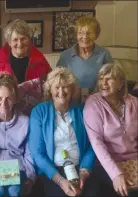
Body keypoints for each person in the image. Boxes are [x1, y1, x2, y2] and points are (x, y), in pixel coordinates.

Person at [28, 67, 96, 196]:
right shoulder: (39, 112)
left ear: (72, 90)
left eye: (66, 87)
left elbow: (93, 145)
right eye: (57, 87)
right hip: (54, 171)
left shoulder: (82, 110)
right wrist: (60, 181)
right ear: (50, 90)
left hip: (80, 167)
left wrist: (84, 172)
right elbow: (37, 153)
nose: (61, 91)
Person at [83, 63, 138, 197]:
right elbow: (97, 144)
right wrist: (116, 174)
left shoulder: (134, 103)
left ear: (121, 83)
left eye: (109, 79)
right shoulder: (93, 104)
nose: (103, 83)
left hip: (134, 160)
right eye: (101, 79)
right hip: (106, 163)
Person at [0, 73, 35, 196]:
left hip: (17, 168)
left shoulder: (25, 121)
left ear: (15, 99)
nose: (3, 103)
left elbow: (29, 152)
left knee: (14, 191)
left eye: (8, 98)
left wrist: (30, 177)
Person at [0, 19, 51, 113]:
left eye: (23, 39)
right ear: (9, 42)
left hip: (34, 114)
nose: (20, 44)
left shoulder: (40, 60)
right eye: (15, 40)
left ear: (29, 39)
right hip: (9, 115)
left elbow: (51, 86)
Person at [56, 16, 113, 102]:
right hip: (71, 101)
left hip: (98, 100)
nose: (85, 37)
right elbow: (58, 80)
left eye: (89, 33)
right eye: (80, 33)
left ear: (96, 35)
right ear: (76, 35)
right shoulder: (65, 55)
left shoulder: (104, 54)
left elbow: (111, 79)